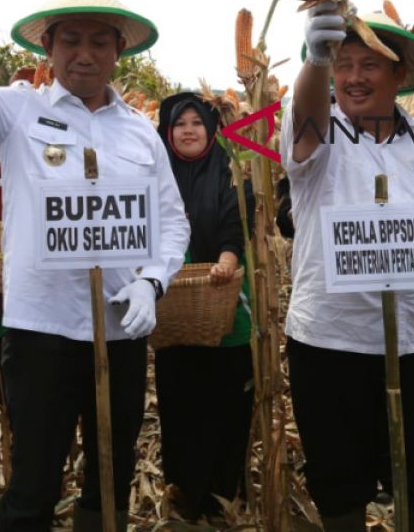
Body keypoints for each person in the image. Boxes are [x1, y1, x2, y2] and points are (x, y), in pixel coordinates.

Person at [0, 0, 189, 531]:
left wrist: (152, 283)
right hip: (39, 333)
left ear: (119, 51)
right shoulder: (17, 111)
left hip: (119, 332)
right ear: (49, 48)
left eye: (98, 41)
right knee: (33, 483)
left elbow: (172, 223)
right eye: (70, 40)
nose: (84, 54)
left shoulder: (142, 134)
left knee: (108, 485)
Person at [281, 0, 414, 532]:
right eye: (342, 64)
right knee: (337, 475)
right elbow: (306, 120)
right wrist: (314, 60)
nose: (353, 77)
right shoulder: (321, 138)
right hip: (329, 340)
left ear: (398, 75)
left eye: (368, 64)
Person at [153, 92, 255, 523]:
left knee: (227, 404)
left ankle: (223, 494)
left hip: (223, 305)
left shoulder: (231, 173)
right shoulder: (155, 176)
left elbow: (237, 226)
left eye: (197, 122)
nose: (189, 130)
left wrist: (227, 262)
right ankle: (186, 493)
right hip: (174, 310)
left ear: (212, 130)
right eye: (180, 124)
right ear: (167, 132)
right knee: (180, 405)